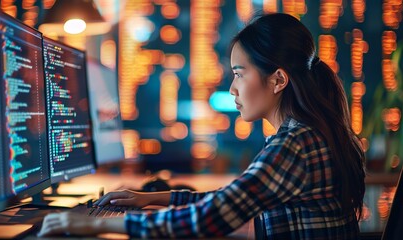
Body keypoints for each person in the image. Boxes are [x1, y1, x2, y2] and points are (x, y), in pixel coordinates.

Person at [38, 13, 365, 239]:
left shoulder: (295, 143)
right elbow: (232, 199)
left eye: (239, 73)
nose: (232, 89)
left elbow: (217, 214)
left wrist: (97, 227)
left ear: (278, 79)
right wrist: (154, 199)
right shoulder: (314, 133)